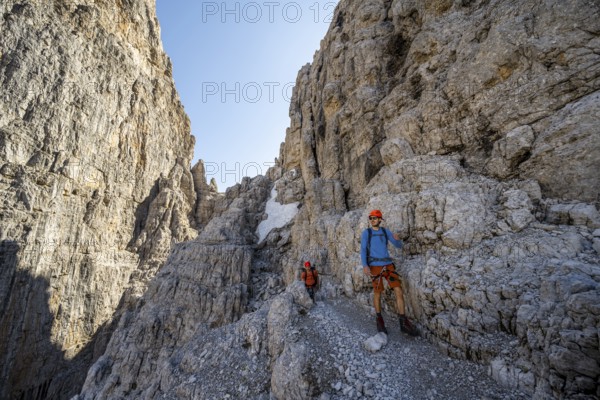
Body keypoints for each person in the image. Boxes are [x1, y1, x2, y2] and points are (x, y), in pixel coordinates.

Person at [361, 210, 418, 336]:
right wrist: (365, 265)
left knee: (398, 290)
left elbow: (397, 245)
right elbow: (363, 249)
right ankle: (379, 320)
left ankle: (403, 322)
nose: (372, 220)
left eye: (375, 218)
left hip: (388, 266)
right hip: (375, 267)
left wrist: (397, 240)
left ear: (380, 219)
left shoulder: (385, 231)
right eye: (371, 218)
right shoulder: (367, 233)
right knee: (377, 293)